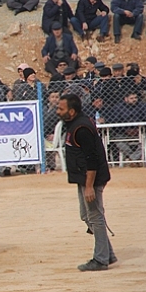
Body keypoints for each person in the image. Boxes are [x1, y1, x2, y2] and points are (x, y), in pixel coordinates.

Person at [56, 93, 116, 272]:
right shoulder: (74, 124)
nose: (57, 111)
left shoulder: (81, 128)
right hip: (83, 179)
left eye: (61, 108)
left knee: (95, 217)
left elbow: (92, 158)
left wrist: (89, 186)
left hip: (92, 179)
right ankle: (108, 254)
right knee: (86, 215)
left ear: (72, 111)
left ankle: (100, 259)